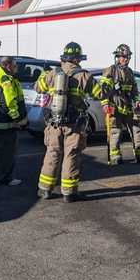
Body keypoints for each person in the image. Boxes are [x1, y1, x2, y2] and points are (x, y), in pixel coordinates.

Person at [35, 42, 104, 203]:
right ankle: (69, 192)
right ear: (78, 59)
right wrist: (106, 83)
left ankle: (44, 189)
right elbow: (100, 93)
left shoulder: (52, 73)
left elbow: (38, 88)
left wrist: (42, 75)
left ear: (64, 57)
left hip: (54, 123)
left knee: (52, 153)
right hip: (74, 124)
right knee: (71, 155)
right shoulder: (83, 75)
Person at [98, 44, 140, 165]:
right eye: (124, 57)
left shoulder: (129, 72)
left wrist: (137, 101)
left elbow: (134, 89)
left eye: (127, 57)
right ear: (118, 57)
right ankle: (115, 157)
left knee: (136, 130)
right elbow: (103, 89)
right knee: (115, 131)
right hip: (114, 106)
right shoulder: (110, 71)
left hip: (128, 106)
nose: (126, 59)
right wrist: (105, 103)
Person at [0, 56, 27, 186]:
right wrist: (18, 119)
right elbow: (8, 103)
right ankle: (6, 178)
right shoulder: (5, 80)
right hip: (5, 123)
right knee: (8, 153)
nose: (16, 68)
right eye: (14, 65)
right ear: (8, 66)